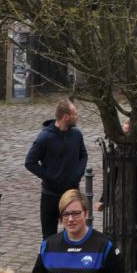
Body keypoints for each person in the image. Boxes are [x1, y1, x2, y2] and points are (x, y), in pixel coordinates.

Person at [24, 99, 87, 238]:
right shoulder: (45, 137)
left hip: (71, 194)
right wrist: (50, 176)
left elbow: (83, 155)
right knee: (49, 239)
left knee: (73, 235)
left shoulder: (76, 135)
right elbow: (30, 162)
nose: (77, 117)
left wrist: (78, 174)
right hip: (50, 195)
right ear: (66, 117)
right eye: (75, 114)